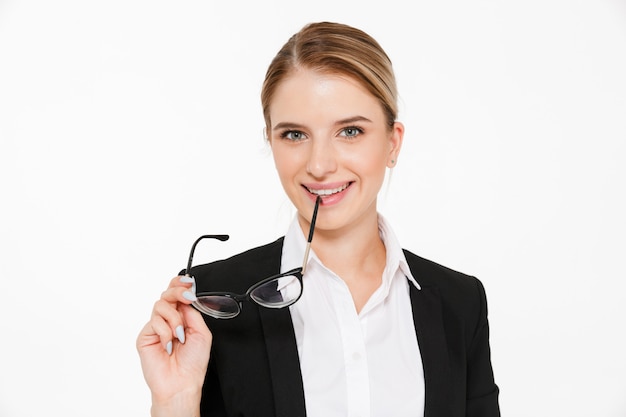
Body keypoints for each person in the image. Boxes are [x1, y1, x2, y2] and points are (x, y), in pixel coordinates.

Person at [137, 21, 500, 417]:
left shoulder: (459, 304)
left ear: (393, 142)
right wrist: (175, 401)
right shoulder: (215, 304)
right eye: (294, 135)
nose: (320, 165)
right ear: (270, 140)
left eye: (350, 131)